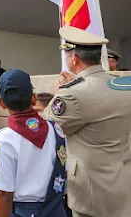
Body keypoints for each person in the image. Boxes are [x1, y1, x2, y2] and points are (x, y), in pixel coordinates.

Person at [43, 25, 131, 217]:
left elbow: (47, 128)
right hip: (123, 185)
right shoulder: (121, 85)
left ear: (74, 58)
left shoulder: (72, 94)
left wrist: (59, 93)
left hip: (93, 193)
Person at [0, 69, 67, 217]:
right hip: (55, 208)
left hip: (24, 211)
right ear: (34, 98)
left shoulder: (4, 138)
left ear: (1, 103)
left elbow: (4, 194)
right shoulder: (56, 129)